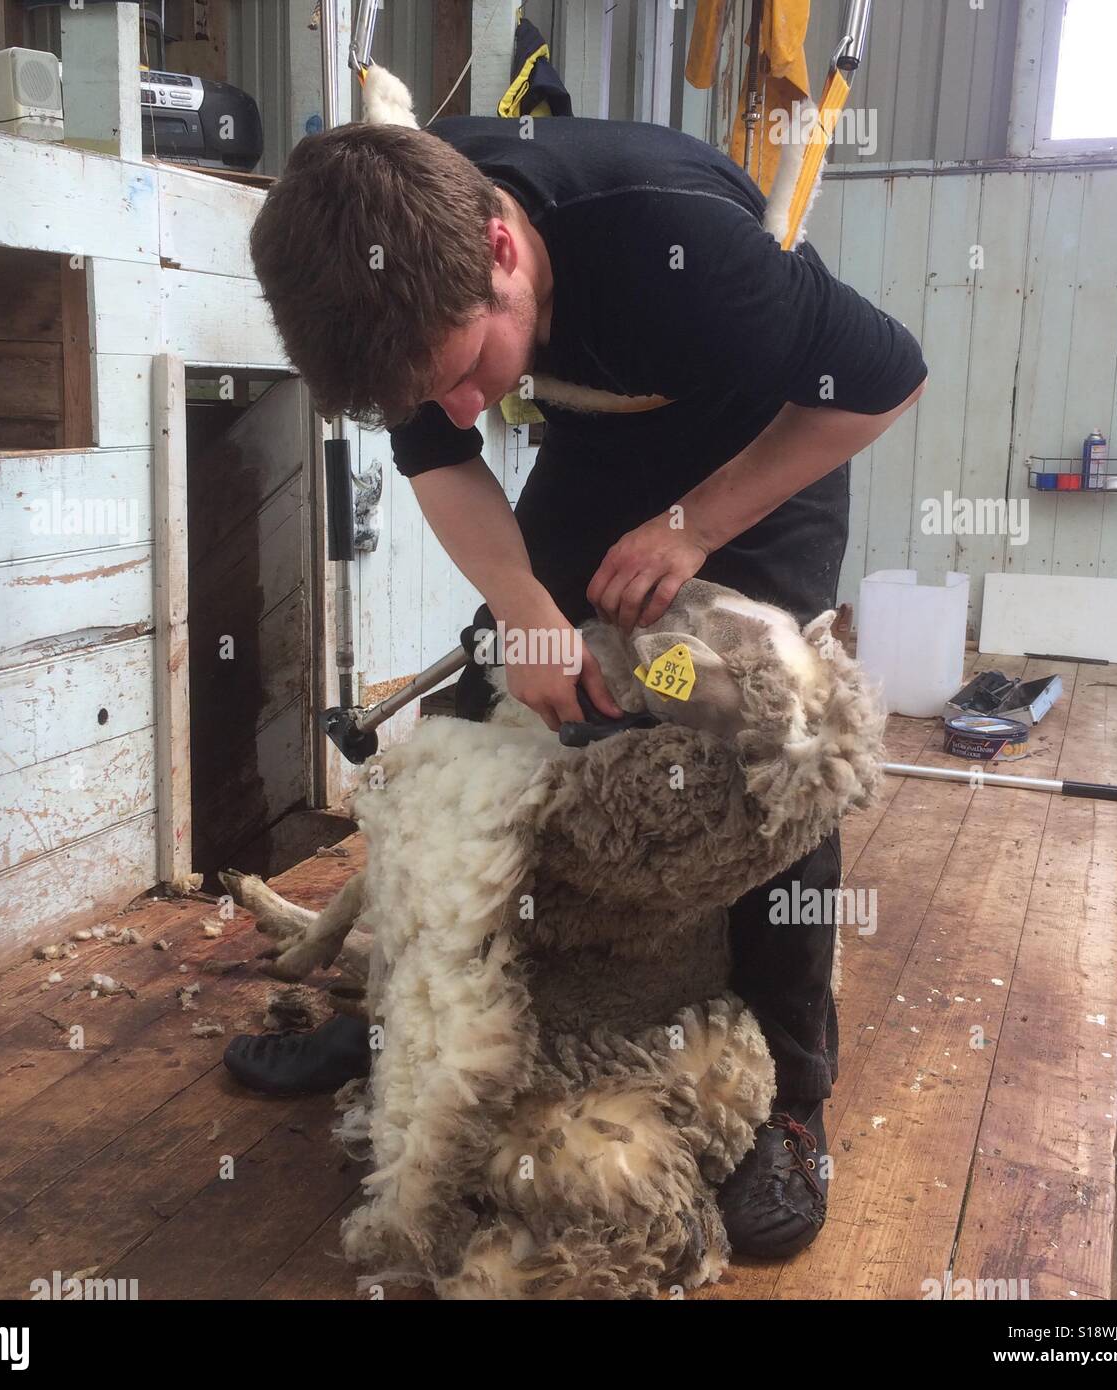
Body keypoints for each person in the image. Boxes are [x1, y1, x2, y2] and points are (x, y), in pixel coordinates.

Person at [233, 113, 927, 1260]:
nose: (459, 409)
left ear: (504, 252)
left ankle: (795, 1099)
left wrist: (695, 528)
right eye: (429, 391)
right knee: (480, 716)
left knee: (773, 753)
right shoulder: (401, 260)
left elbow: (884, 379)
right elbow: (444, 454)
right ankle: (410, 1021)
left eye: (464, 374)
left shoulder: (686, 248)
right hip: (604, 436)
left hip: (759, 452)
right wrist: (523, 605)